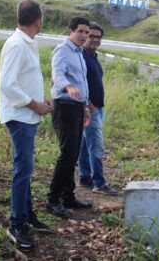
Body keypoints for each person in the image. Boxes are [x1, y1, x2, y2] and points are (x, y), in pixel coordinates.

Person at [0, 0, 52, 249]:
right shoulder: (17, 45)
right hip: (19, 117)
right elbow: (7, 85)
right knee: (23, 170)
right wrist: (34, 104)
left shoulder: (28, 42)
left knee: (26, 169)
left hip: (28, 115)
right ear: (38, 20)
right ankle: (16, 224)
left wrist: (41, 102)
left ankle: (27, 215)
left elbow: (23, 79)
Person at [47, 17, 93, 218]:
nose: (84, 36)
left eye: (86, 32)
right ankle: (53, 199)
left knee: (73, 154)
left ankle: (68, 196)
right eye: (80, 31)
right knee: (67, 154)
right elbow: (57, 74)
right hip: (64, 106)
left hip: (76, 107)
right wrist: (68, 86)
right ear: (71, 31)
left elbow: (81, 83)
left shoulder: (80, 53)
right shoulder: (62, 50)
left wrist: (84, 106)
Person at [78, 22, 118, 196]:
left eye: (98, 37)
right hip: (90, 108)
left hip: (96, 108)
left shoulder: (92, 56)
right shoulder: (82, 57)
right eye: (91, 36)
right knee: (96, 147)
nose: (94, 39)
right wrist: (88, 105)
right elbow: (78, 83)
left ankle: (85, 176)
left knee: (85, 145)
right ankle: (99, 183)